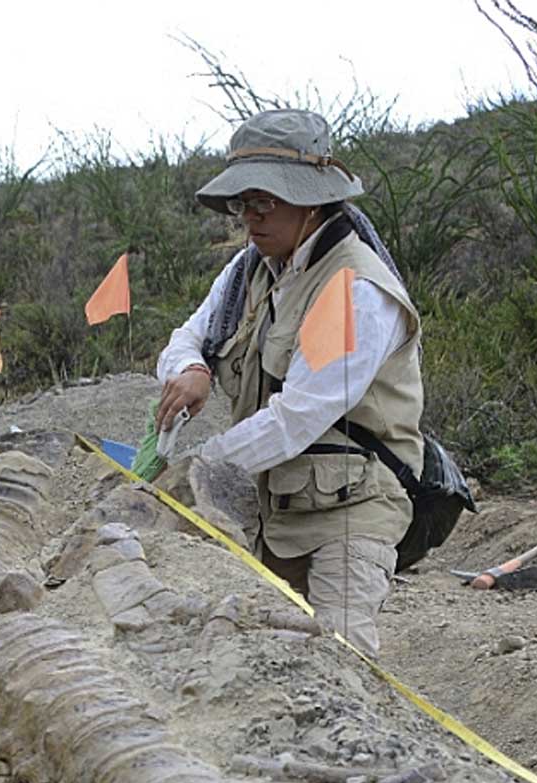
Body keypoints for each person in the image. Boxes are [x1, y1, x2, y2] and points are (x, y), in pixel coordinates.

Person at [153, 108, 423, 658]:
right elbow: (186, 336)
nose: (249, 218)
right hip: (268, 506)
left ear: (312, 199)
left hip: (350, 512)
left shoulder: (354, 288)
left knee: (342, 661)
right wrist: (193, 369)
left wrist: (196, 470)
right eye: (241, 204)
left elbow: (297, 415)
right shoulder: (247, 271)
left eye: (264, 201)